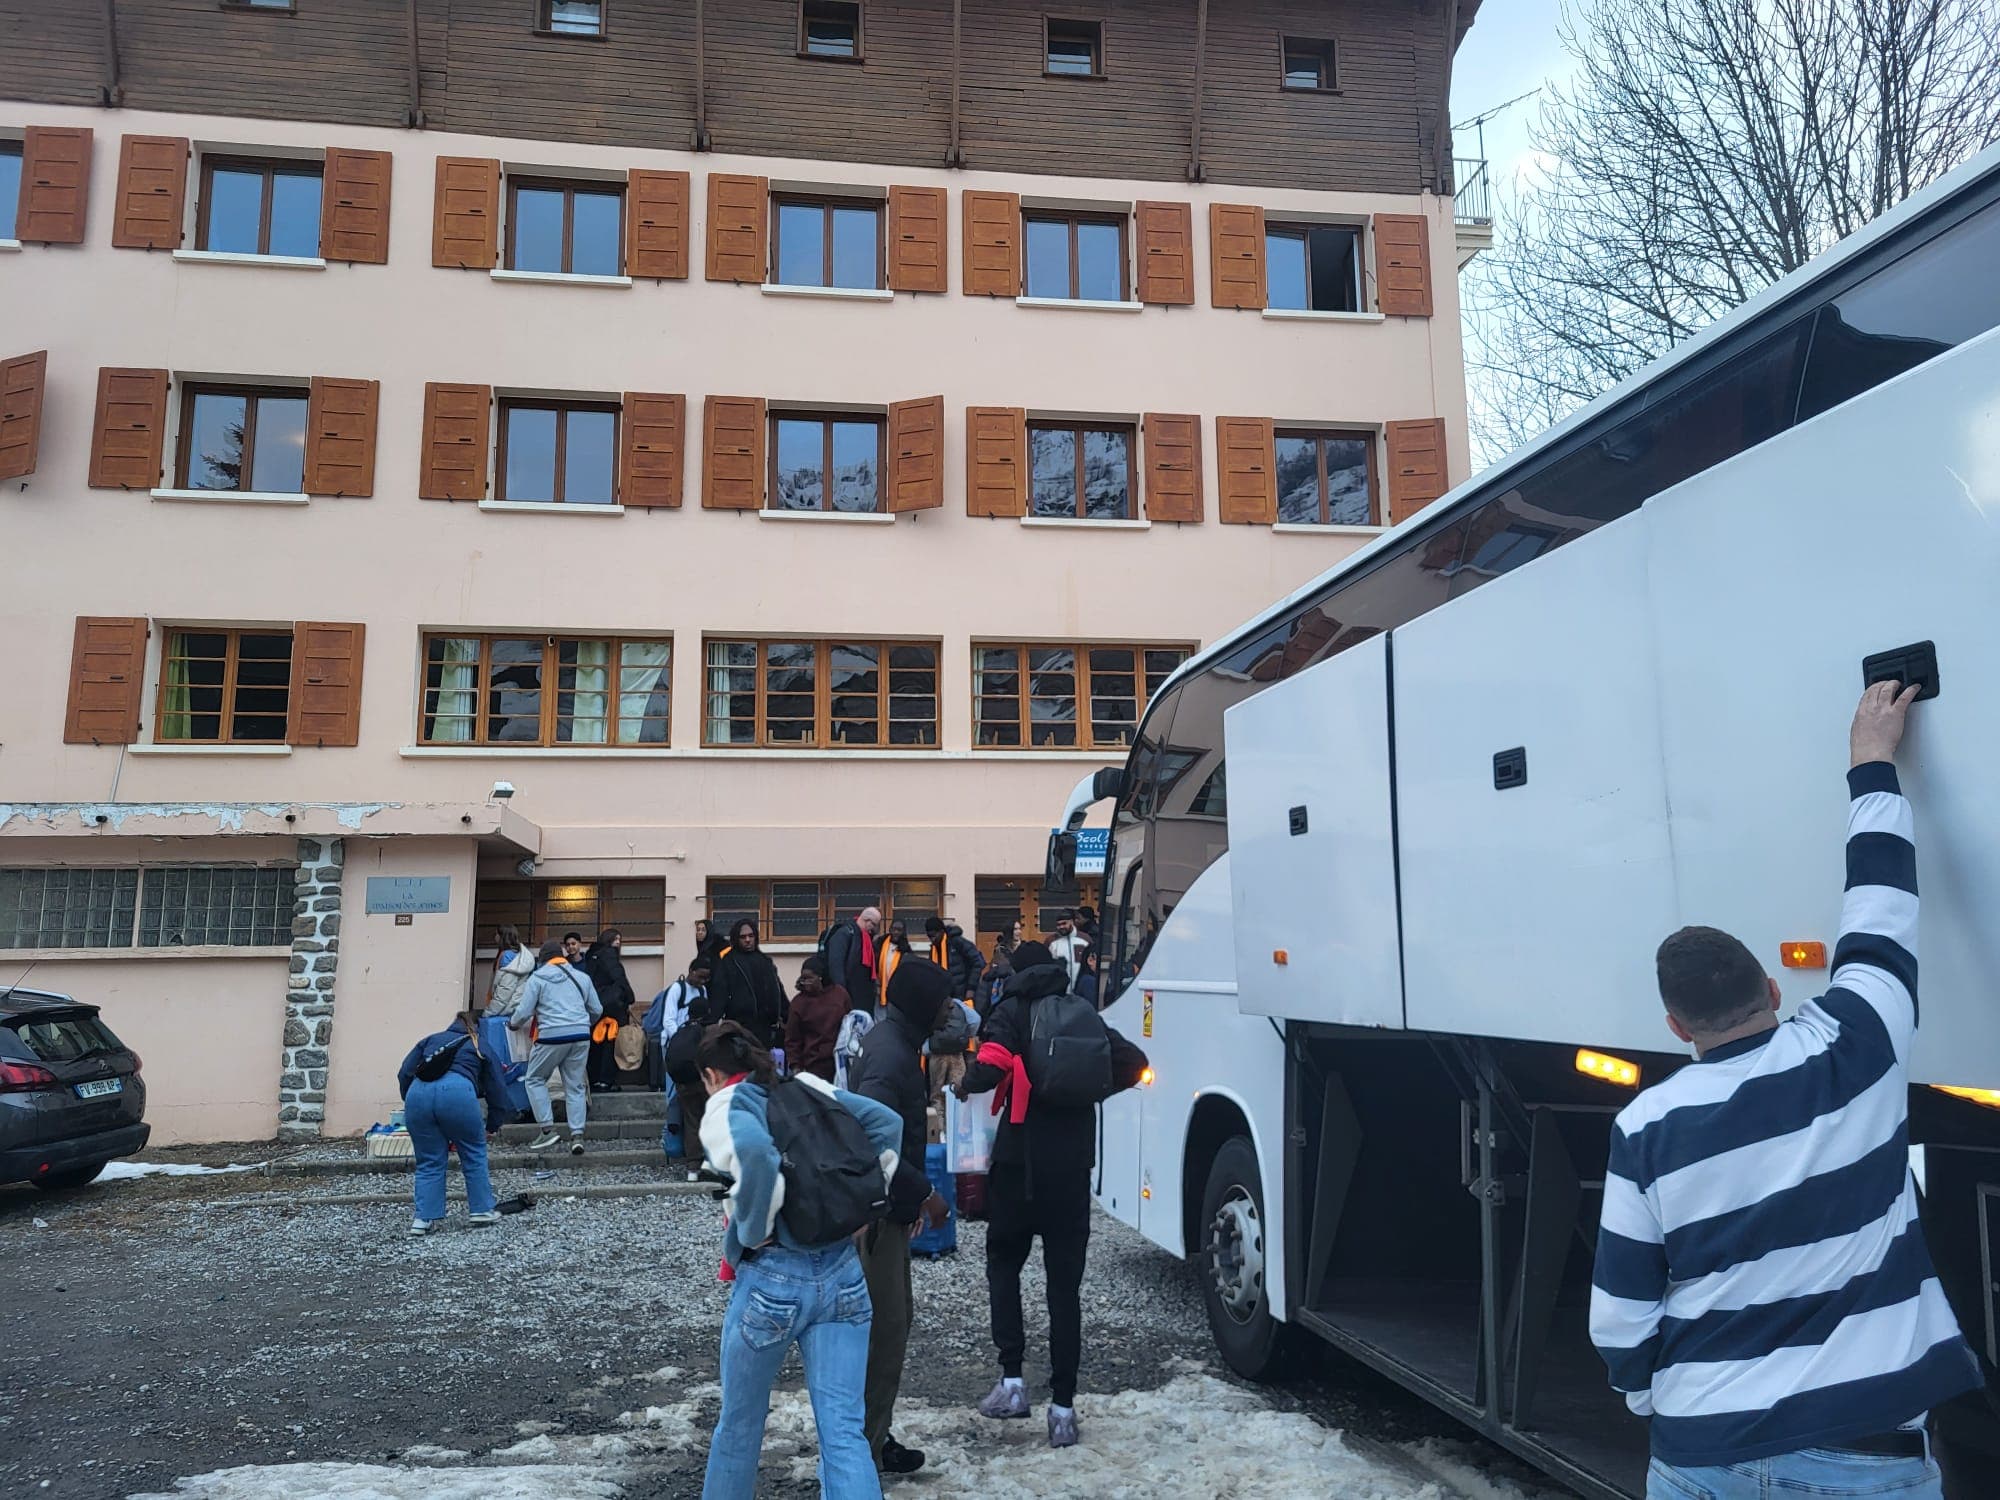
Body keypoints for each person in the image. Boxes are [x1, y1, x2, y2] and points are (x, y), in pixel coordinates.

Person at [1590, 682, 1979, 1499]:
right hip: (1863, 1452)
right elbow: (1881, 901)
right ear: (1773, 987)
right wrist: (1871, 759)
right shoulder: (1856, 1044)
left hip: (1700, 1454)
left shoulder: (1645, 1126)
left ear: (1676, 1027)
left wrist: (1654, 1397)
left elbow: (1620, 1315)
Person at [697, 1021, 907, 1500]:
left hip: (772, 1279)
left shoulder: (728, 1103)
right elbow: (887, 1123)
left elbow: (756, 1157)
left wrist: (752, 1232)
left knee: (740, 1426)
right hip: (843, 1271)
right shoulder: (807, 1084)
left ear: (711, 1074)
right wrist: (866, 1201)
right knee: (844, 1431)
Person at [959, 940, 1148, 1447]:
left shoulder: (1011, 1011)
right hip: (1070, 1170)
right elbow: (1135, 1062)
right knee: (1064, 1290)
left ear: (1018, 974)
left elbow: (988, 1067)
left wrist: (964, 1085)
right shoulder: (1082, 1013)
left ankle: (1012, 1383)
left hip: (1018, 1166)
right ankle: (1063, 1409)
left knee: (1004, 1265)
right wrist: (1083, 1089)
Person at [848, 960, 955, 1476]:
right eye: (944, 1002)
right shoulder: (890, 1056)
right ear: (922, 1005)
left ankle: (874, 1436)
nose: (951, 1011)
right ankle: (861, 1459)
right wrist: (924, 1194)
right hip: (876, 1217)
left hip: (888, 1211)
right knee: (882, 1337)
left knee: (894, 1323)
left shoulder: (895, 1041)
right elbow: (870, 1140)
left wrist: (907, 1203)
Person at [395, 1008, 514, 1237]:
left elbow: (405, 1072)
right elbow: (497, 1087)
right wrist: (493, 1124)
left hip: (418, 1094)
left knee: (428, 1160)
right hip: (458, 1093)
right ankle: (481, 1210)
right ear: (478, 1026)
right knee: (473, 1151)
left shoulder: (430, 1040)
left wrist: (411, 1100)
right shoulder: (479, 1044)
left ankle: (422, 1219)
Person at [509, 937, 601, 1156]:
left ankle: (547, 1130)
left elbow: (524, 1011)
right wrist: (582, 1024)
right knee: (575, 1086)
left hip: (551, 1036)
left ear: (543, 960)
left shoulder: (537, 978)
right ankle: (577, 1135)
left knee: (534, 1079)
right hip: (580, 1035)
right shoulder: (582, 977)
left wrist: (513, 1024)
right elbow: (597, 1009)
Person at [647, 952, 711, 1151]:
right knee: (674, 1094)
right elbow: (668, 1020)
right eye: (700, 976)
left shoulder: (702, 991)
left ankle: (688, 1140)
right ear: (691, 971)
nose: (702, 981)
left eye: (706, 978)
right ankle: (671, 1137)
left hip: (693, 1050)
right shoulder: (677, 989)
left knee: (691, 1095)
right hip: (673, 1048)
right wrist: (682, 1041)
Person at [709, 917, 788, 1049]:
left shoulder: (765, 961)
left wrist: (787, 1016)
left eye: (751, 936)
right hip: (740, 1027)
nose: (747, 940)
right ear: (736, 939)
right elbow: (719, 993)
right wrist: (712, 1022)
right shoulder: (728, 962)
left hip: (766, 1027)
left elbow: (778, 990)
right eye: (743, 937)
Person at [582, 928, 635, 1093]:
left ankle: (593, 1079)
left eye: (619, 939)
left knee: (595, 1043)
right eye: (615, 939)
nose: (618, 943)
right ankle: (606, 1080)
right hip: (611, 1009)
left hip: (594, 1007)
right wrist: (630, 998)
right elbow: (619, 978)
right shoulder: (609, 955)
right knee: (610, 1044)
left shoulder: (592, 956)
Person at [785, 955, 851, 1083]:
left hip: (840, 1062)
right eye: (803, 979)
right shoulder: (798, 1003)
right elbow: (792, 1039)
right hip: (813, 1066)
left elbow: (850, 1024)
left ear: (820, 977)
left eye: (809, 979)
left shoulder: (840, 994)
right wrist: (796, 1067)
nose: (805, 983)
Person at [827, 906, 882, 1011]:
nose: (874, 929)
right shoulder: (845, 934)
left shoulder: (865, 936)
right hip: (849, 994)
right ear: (867, 921)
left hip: (862, 994)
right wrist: (843, 993)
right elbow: (836, 966)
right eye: (874, 924)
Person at [924, 916, 985, 1005]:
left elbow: (978, 962)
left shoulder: (958, 942)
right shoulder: (933, 951)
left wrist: (971, 988)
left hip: (964, 995)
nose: (932, 939)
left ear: (941, 931)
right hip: (945, 996)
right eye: (929, 936)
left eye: (934, 935)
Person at [1046, 913, 1090, 988]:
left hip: (1081, 986)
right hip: (1060, 987)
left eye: (1064, 923)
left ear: (1072, 922)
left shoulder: (1085, 939)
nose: (1061, 927)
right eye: (1058, 925)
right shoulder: (1051, 940)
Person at [877, 920, 912, 1001]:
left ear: (904, 932)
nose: (896, 932)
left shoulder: (906, 951)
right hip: (879, 989)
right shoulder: (879, 944)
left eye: (899, 930)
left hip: (897, 991)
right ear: (890, 930)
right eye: (894, 929)